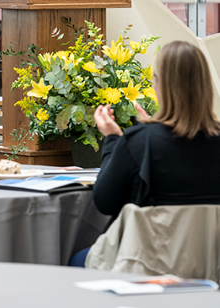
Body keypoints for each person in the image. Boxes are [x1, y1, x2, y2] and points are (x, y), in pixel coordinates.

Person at [69, 40, 220, 265]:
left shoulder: (141, 142)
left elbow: (105, 202)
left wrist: (113, 140)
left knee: (74, 261)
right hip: (210, 267)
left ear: (161, 85)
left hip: (148, 265)